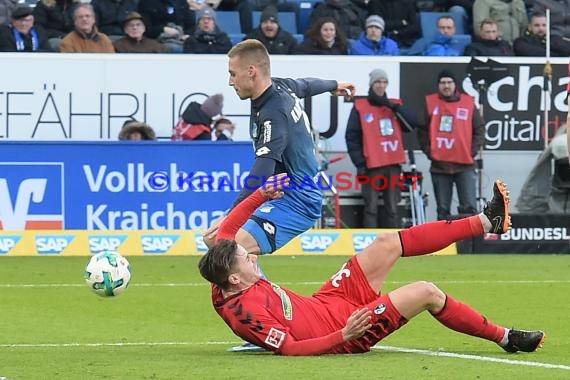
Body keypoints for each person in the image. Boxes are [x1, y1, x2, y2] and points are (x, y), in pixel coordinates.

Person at [199, 174, 545, 355]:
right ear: (234, 278)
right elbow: (290, 348)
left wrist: (261, 194)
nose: (253, 255)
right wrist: (344, 335)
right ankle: (506, 337)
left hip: (329, 301)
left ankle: (487, 221)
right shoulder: (244, 314)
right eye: (247, 258)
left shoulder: (225, 275)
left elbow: (228, 230)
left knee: (385, 243)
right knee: (425, 291)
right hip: (350, 328)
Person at [204, 39, 355, 254]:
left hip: (298, 199)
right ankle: (256, 287)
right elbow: (305, 85)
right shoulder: (278, 86)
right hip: (280, 193)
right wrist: (333, 85)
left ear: (251, 72)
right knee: (216, 242)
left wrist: (232, 214)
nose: (230, 81)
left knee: (227, 246)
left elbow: (264, 168)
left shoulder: (274, 112)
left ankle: (263, 289)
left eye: (233, 74)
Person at [345, 68, 415, 228]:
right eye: (378, 82)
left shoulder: (394, 105)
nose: (381, 85)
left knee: (392, 207)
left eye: (384, 82)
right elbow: (351, 137)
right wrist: (360, 164)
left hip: (393, 164)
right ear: (371, 84)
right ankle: (369, 245)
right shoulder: (360, 106)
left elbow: (412, 124)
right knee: (370, 208)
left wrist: (394, 108)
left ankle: (392, 244)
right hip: (371, 166)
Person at [418, 70, 484, 221]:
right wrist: (430, 151)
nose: (446, 86)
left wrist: (471, 151)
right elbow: (421, 130)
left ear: (455, 85)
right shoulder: (430, 103)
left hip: (465, 165)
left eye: (449, 82)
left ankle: (468, 244)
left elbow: (479, 129)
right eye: (442, 83)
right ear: (438, 85)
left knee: (469, 209)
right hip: (439, 166)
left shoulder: (468, 102)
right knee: (443, 210)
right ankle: (445, 244)